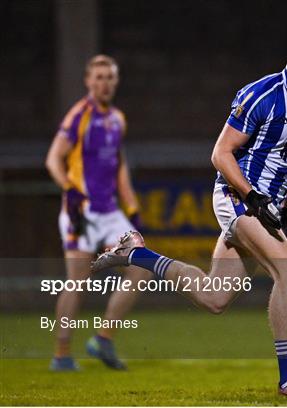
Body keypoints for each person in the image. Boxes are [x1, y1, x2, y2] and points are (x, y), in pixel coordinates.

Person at [93, 26, 287, 396]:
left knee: (214, 297)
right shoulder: (262, 95)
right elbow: (220, 154)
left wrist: (286, 206)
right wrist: (254, 197)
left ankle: (137, 254)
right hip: (236, 196)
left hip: (266, 205)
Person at [45, 55, 150, 371]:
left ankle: (103, 338)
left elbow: (119, 167)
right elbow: (53, 159)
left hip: (110, 212)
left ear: (116, 82)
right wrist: (71, 191)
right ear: (88, 82)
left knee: (141, 268)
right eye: (99, 77)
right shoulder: (79, 115)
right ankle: (62, 354)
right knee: (78, 282)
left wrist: (131, 208)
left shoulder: (117, 118)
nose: (104, 83)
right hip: (83, 210)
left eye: (109, 77)